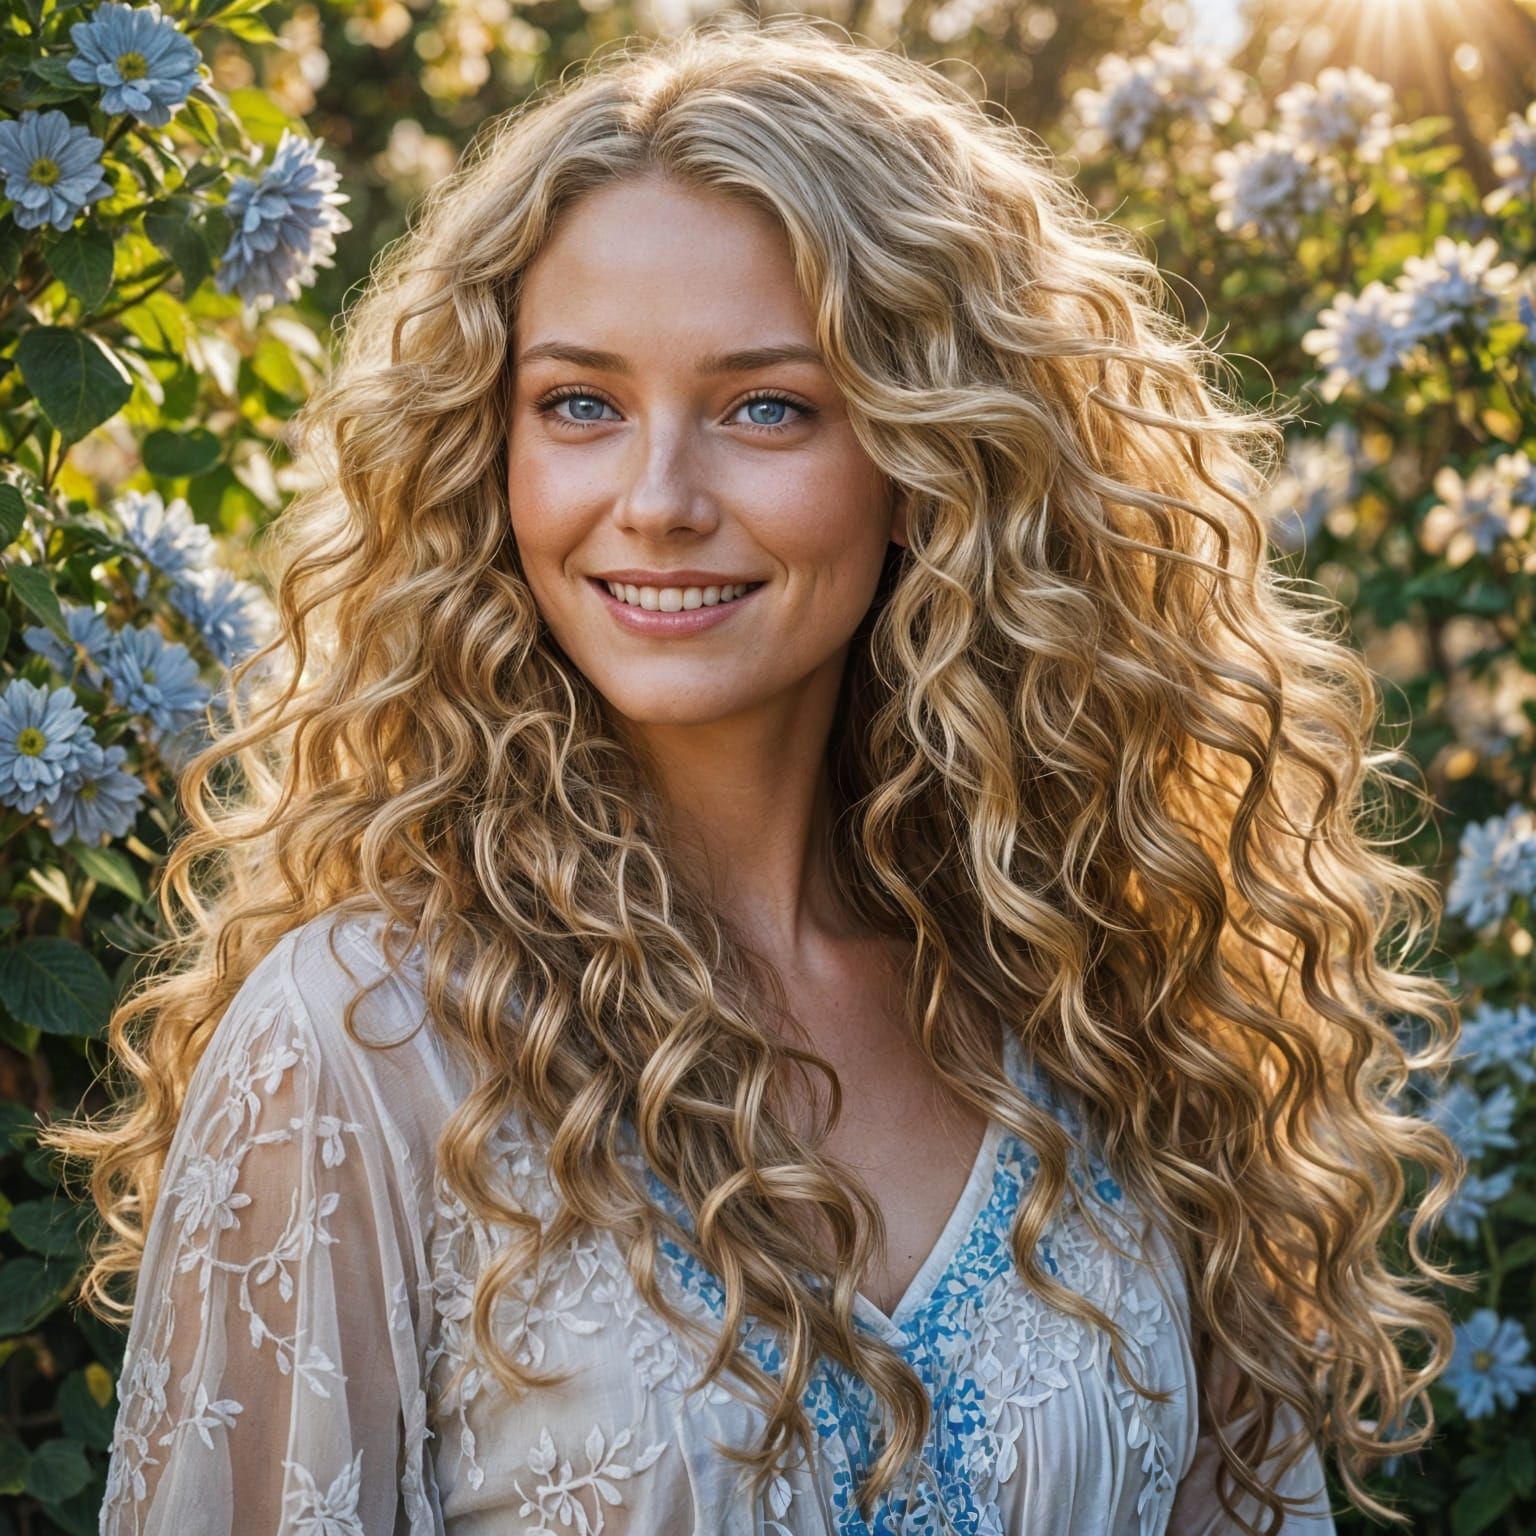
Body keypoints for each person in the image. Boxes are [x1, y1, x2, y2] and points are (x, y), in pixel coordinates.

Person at [50, 17, 1461, 1536]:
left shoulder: (1103, 998)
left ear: (937, 461)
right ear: (487, 451)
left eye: (767, 406)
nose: (656, 502)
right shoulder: (365, 1047)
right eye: (580, 404)